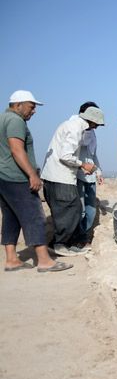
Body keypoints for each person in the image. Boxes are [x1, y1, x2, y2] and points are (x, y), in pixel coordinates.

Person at [0, 90, 71, 272]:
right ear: (18, 105)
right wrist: (32, 174)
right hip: (16, 177)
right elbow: (17, 150)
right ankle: (44, 261)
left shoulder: (3, 118)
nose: (34, 111)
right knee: (34, 216)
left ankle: (11, 259)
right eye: (31, 107)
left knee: (11, 218)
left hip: (3, 177)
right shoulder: (15, 121)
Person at [41, 106, 105, 256]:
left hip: (58, 176)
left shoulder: (74, 126)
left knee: (73, 209)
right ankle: (59, 244)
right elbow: (65, 155)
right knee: (72, 211)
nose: (95, 127)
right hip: (60, 177)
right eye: (96, 124)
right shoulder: (75, 128)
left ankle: (66, 243)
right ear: (92, 121)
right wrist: (82, 164)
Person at [76, 101, 103, 247]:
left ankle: (85, 238)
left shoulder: (91, 133)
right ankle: (77, 239)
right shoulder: (74, 128)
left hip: (90, 175)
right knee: (79, 209)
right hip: (77, 174)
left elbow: (93, 154)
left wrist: (98, 171)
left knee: (90, 209)